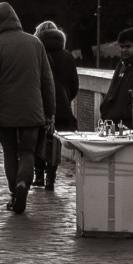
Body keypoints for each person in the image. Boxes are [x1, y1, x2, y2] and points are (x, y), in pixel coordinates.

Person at [0, 2, 55, 215]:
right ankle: (23, 185)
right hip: (32, 110)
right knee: (28, 151)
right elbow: (47, 81)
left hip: (5, 111)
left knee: (10, 153)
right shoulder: (35, 43)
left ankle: (14, 193)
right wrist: (50, 111)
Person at [34, 20, 81, 191]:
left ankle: (38, 174)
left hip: (38, 104)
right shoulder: (67, 56)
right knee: (55, 142)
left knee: (38, 139)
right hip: (61, 106)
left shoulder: (36, 54)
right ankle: (50, 178)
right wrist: (65, 99)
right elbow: (74, 84)